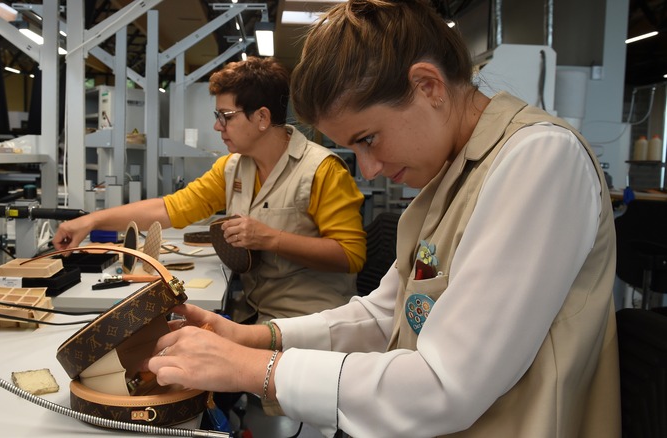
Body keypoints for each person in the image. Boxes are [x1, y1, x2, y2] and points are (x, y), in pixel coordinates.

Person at [142, 1, 621, 436]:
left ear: (427, 86)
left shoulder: (539, 159)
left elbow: (443, 387)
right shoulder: (450, 175)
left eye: (368, 138)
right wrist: (256, 336)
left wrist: (256, 369)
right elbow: (386, 312)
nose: (367, 168)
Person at [52, 56, 367, 324]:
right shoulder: (233, 167)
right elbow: (170, 209)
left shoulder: (321, 169)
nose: (218, 126)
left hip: (311, 319)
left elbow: (350, 255)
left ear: (262, 118)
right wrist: (90, 221)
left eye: (225, 117)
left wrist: (269, 238)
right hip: (256, 307)